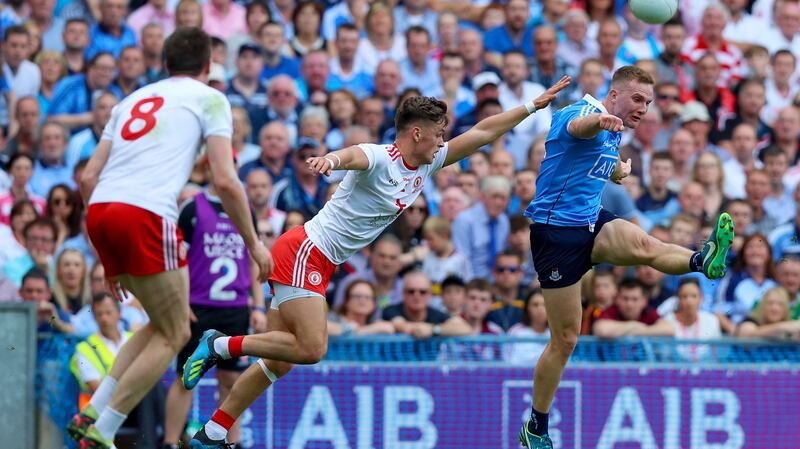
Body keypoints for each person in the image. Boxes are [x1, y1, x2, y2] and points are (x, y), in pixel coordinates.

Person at [179, 75, 572, 447]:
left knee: (278, 363)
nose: (442, 142)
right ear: (416, 133)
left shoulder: (428, 162)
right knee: (312, 349)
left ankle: (212, 433)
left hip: (317, 258)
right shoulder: (381, 156)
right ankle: (221, 345)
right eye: (438, 134)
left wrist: (530, 106)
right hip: (306, 251)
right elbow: (351, 156)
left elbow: (483, 132)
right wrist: (330, 161)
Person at [67, 28, 271, 449]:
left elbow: (88, 178)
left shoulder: (130, 101)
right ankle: (103, 429)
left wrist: (107, 257)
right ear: (208, 66)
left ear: (164, 64)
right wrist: (254, 242)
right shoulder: (210, 98)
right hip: (145, 213)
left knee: (161, 324)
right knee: (176, 334)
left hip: (102, 211)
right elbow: (226, 181)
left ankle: (91, 409)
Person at [518, 66, 734, 449]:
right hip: (556, 235)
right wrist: (599, 120)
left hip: (590, 222)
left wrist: (618, 171)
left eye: (648, 103)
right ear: (613, 95)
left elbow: (598, 158)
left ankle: (704, 260)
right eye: (637, 99)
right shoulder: (578, 114)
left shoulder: (614, 133)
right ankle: (535, 425)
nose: (644, 108)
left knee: (645, 247)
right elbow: (577, 130)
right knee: (566, 339)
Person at [163, 153, 267, 449]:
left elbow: (251, 260)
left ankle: (230, 442)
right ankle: (170, 441)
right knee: (186, 376)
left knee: (231, 380)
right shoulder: (192, 208)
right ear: (209, 167)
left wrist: (256, 305)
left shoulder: (244, 209)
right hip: (198, 307)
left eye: (232, 164)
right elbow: (176, 260)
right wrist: (180, 303)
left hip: (234, 308)